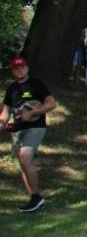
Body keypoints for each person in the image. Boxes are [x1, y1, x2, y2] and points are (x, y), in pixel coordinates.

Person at [2, 57, 56, 212]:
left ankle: (37, 198)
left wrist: (33, 113)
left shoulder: (36, 84)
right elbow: (5, 113)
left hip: (35, 127)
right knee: (23, 163)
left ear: (27, 68)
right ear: (12, 71)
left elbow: (51, 104)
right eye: (16, 68)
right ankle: (34, 199)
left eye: (22, 67)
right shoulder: (11, 88)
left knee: (24, 158)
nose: (20, 70)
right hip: (18, 130)